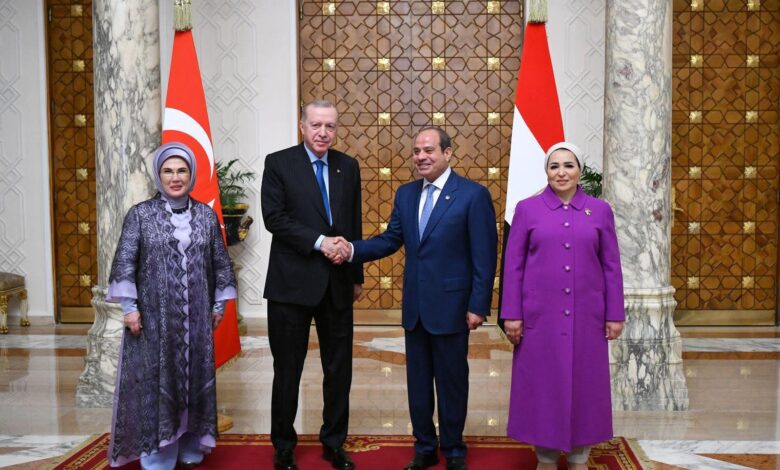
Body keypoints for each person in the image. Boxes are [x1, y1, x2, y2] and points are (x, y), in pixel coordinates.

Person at [329, 127, 498, 470]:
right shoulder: (406, 194)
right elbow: (390, 239)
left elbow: (484, 256)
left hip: (453, 307)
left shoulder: (472, 195)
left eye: (429, 150)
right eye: (417, 151)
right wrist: (351, 250)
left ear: (448, 153)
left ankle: (454, 450)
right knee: (417, 384)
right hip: (416, 307)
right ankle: (424, 447)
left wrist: (478, 305)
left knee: (452, 382)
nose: (421, 156)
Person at [106, 142, 238, 469]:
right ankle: (158, 456)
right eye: (168, 171)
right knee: (158, 384)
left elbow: (220, 264)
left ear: (191, 175)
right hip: (154, 321)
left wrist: (218, 306)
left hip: (197, 320)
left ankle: (191, 448)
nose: (175, 177)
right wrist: (129, 308)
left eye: (182, 171)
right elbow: (125, 262)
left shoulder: (205, 215)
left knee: (194, 383)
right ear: (158, 175)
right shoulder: (140, 215)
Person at [500, 142, 625, 469]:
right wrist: (511, 314)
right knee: (543, 388)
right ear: (546, 171)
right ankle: (545, 458)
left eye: (568, 165)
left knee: (586, 387)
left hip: (588, 319)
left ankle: (580, 457)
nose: (561, 172)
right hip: (539, 319)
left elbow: (611, 266)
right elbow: (513, 266)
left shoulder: (600, 211)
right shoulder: (527, 209)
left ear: (579, 170)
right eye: (554, 166)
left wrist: (615, 314)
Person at [261, 100, 364, 470]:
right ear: (302, 126)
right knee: (288, 369)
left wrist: (356, 274)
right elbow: (274, 218)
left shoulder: (347, 166)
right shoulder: (279, 163)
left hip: (337, 282)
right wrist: (321, 243)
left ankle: (334, 442)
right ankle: (283, 445)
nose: (323, 133)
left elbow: (353, 222)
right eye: (316, 125)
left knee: (339, 369)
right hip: (291, 285)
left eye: (330, 126)